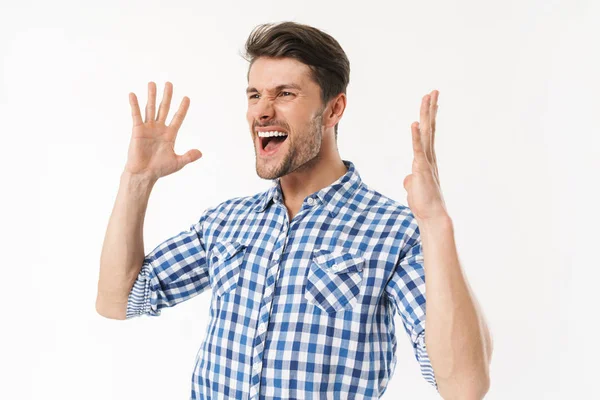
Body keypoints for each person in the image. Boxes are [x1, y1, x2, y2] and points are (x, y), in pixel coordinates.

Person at [96, 21, 492, 400]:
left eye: (284, 94)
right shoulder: (227, 222)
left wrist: (436, 223)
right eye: (254, 95)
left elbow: (463, 386)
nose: (262, 111)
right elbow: (119, 300)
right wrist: (137, 180)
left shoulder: (395, 231)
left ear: (334, 110)